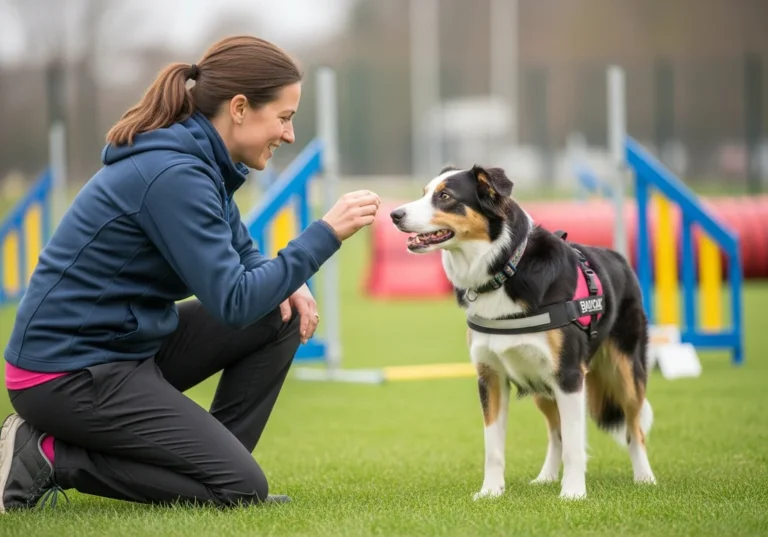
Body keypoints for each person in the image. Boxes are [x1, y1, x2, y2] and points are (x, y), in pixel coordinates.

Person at [0, 35, 380, 512]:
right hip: (64, 373)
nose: (289, 135)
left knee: (279, 313)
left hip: (123, 348)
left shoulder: (202, 164)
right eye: (283, 118)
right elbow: (234, 301)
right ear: (239, 108)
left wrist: (291, 282)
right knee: (241, 488)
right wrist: (323, 234)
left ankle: (218, 469)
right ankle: (50, 456)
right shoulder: (174, 175)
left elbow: (245, 253)